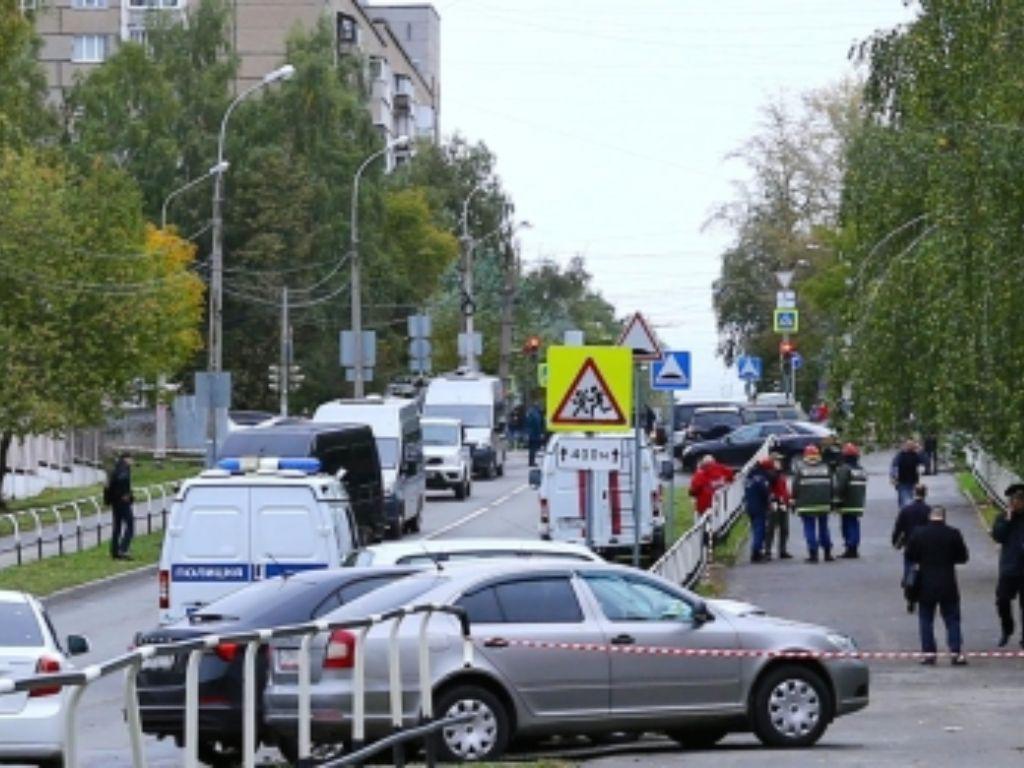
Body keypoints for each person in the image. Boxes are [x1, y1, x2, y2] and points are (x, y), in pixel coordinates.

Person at [906, 505, 969, 665]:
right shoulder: (953, 533)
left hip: (925, 582)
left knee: (925, 619)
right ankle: (955, 652)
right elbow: (963, 557)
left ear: (930, 516)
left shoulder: (918, 533)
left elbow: (910, 555)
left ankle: (929, 654)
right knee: (952, 619)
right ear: (944, 517)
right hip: (948, 582)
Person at [990, 484, 1024, 647]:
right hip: (1010, 567)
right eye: (1012, 500)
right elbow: (998, 536)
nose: (1014, 503)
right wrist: (1007, 520)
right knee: (1002, 600)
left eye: (1018, 500)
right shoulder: (1003, 517)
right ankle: (1007, 628)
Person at [892, 484, 932, 612]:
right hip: (926, 545)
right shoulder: (929, 510)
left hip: (910, 544)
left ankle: (909, 592)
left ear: (914, 493)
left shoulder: (906, 510)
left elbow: (898, 527)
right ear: (925, 494)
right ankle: (924, 594)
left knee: (909, 567)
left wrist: (895, 540)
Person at [792, 444, 833, 562]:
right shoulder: (826, 468)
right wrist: (832, 501)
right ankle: (827, 553)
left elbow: (795, 487)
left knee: (809, 528)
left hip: (806, 505)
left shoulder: (801, 469)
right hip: (824, 504)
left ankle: (813, 553)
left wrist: (794, 501)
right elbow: (832, 486)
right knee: (824, 528)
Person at [833, 443, 867, 559]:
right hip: (858, 503)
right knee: (854, 524)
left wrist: (836, 500)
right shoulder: (861, 470)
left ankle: (850, 547)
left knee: (847, 525)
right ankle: (854, 547)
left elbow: (840, 486)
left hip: (847, 502)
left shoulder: (844, 469)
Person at [744, 457, 774, 563]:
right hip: (759, 508)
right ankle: (756, 552)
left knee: (755, 529)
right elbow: (765, 493)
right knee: (759, 530)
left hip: (750, 507)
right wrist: (769, 503)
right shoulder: (761, 479)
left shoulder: (749, 477)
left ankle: (756, 551)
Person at [763, 454, 792, 560]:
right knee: (770, 528)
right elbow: (771, 483)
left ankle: (783, 550)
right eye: (778, 461)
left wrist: (788, 499)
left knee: (784, 528)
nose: (780, 462)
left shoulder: (781, 474)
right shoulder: (770, 474)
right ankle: (767, 551)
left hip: (783, 502)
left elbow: (784, 488)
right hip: (774, 503)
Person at [107, 452, 135, 560]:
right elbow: (123, 483)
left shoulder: (116, 468)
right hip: (122, 501)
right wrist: (126, 495)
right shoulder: (124, 470)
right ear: (126, 459)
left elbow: (110, 485)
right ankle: (123, 549)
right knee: (130, 525)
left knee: (117, 527)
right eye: (131, 459)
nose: (132, 462)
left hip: (115, 502)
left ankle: (114, 551)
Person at [890, 439, 926, 510]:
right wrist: (893, 477)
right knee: (904, 501)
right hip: (902, 481)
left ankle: (907, 515)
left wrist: (921, 451)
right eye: (908, 445)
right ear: (904, 446)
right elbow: (894, 467)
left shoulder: (916, 455)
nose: (910, 446)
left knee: (911, 501)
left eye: (912, 445)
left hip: (913, 481)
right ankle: (905, 515)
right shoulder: (900, 455)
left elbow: (925, 462)